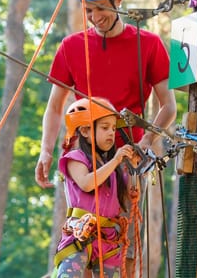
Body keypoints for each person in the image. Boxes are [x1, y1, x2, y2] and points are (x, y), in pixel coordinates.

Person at [36, 0, 177, 276]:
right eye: (88, 10)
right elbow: (56, 106)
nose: (94, 17)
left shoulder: (149, 44)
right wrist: (46, 150)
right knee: (80, 237)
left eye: (100, 8)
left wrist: (144, 144)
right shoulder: (71, 47)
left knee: (117, 241)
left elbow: (168, 107)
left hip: (124, 153)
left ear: (119, 0)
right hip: (82, 156)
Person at [52, 97, 139, 277]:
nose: (111, 133)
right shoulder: (76, 157)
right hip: (80, 233)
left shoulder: (112, 168)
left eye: (113, 128)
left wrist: (134, 168)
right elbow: (86, 183)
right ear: (85, 130)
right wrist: (115, 161)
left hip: (108, 237)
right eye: (105, 127)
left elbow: (125, 199)